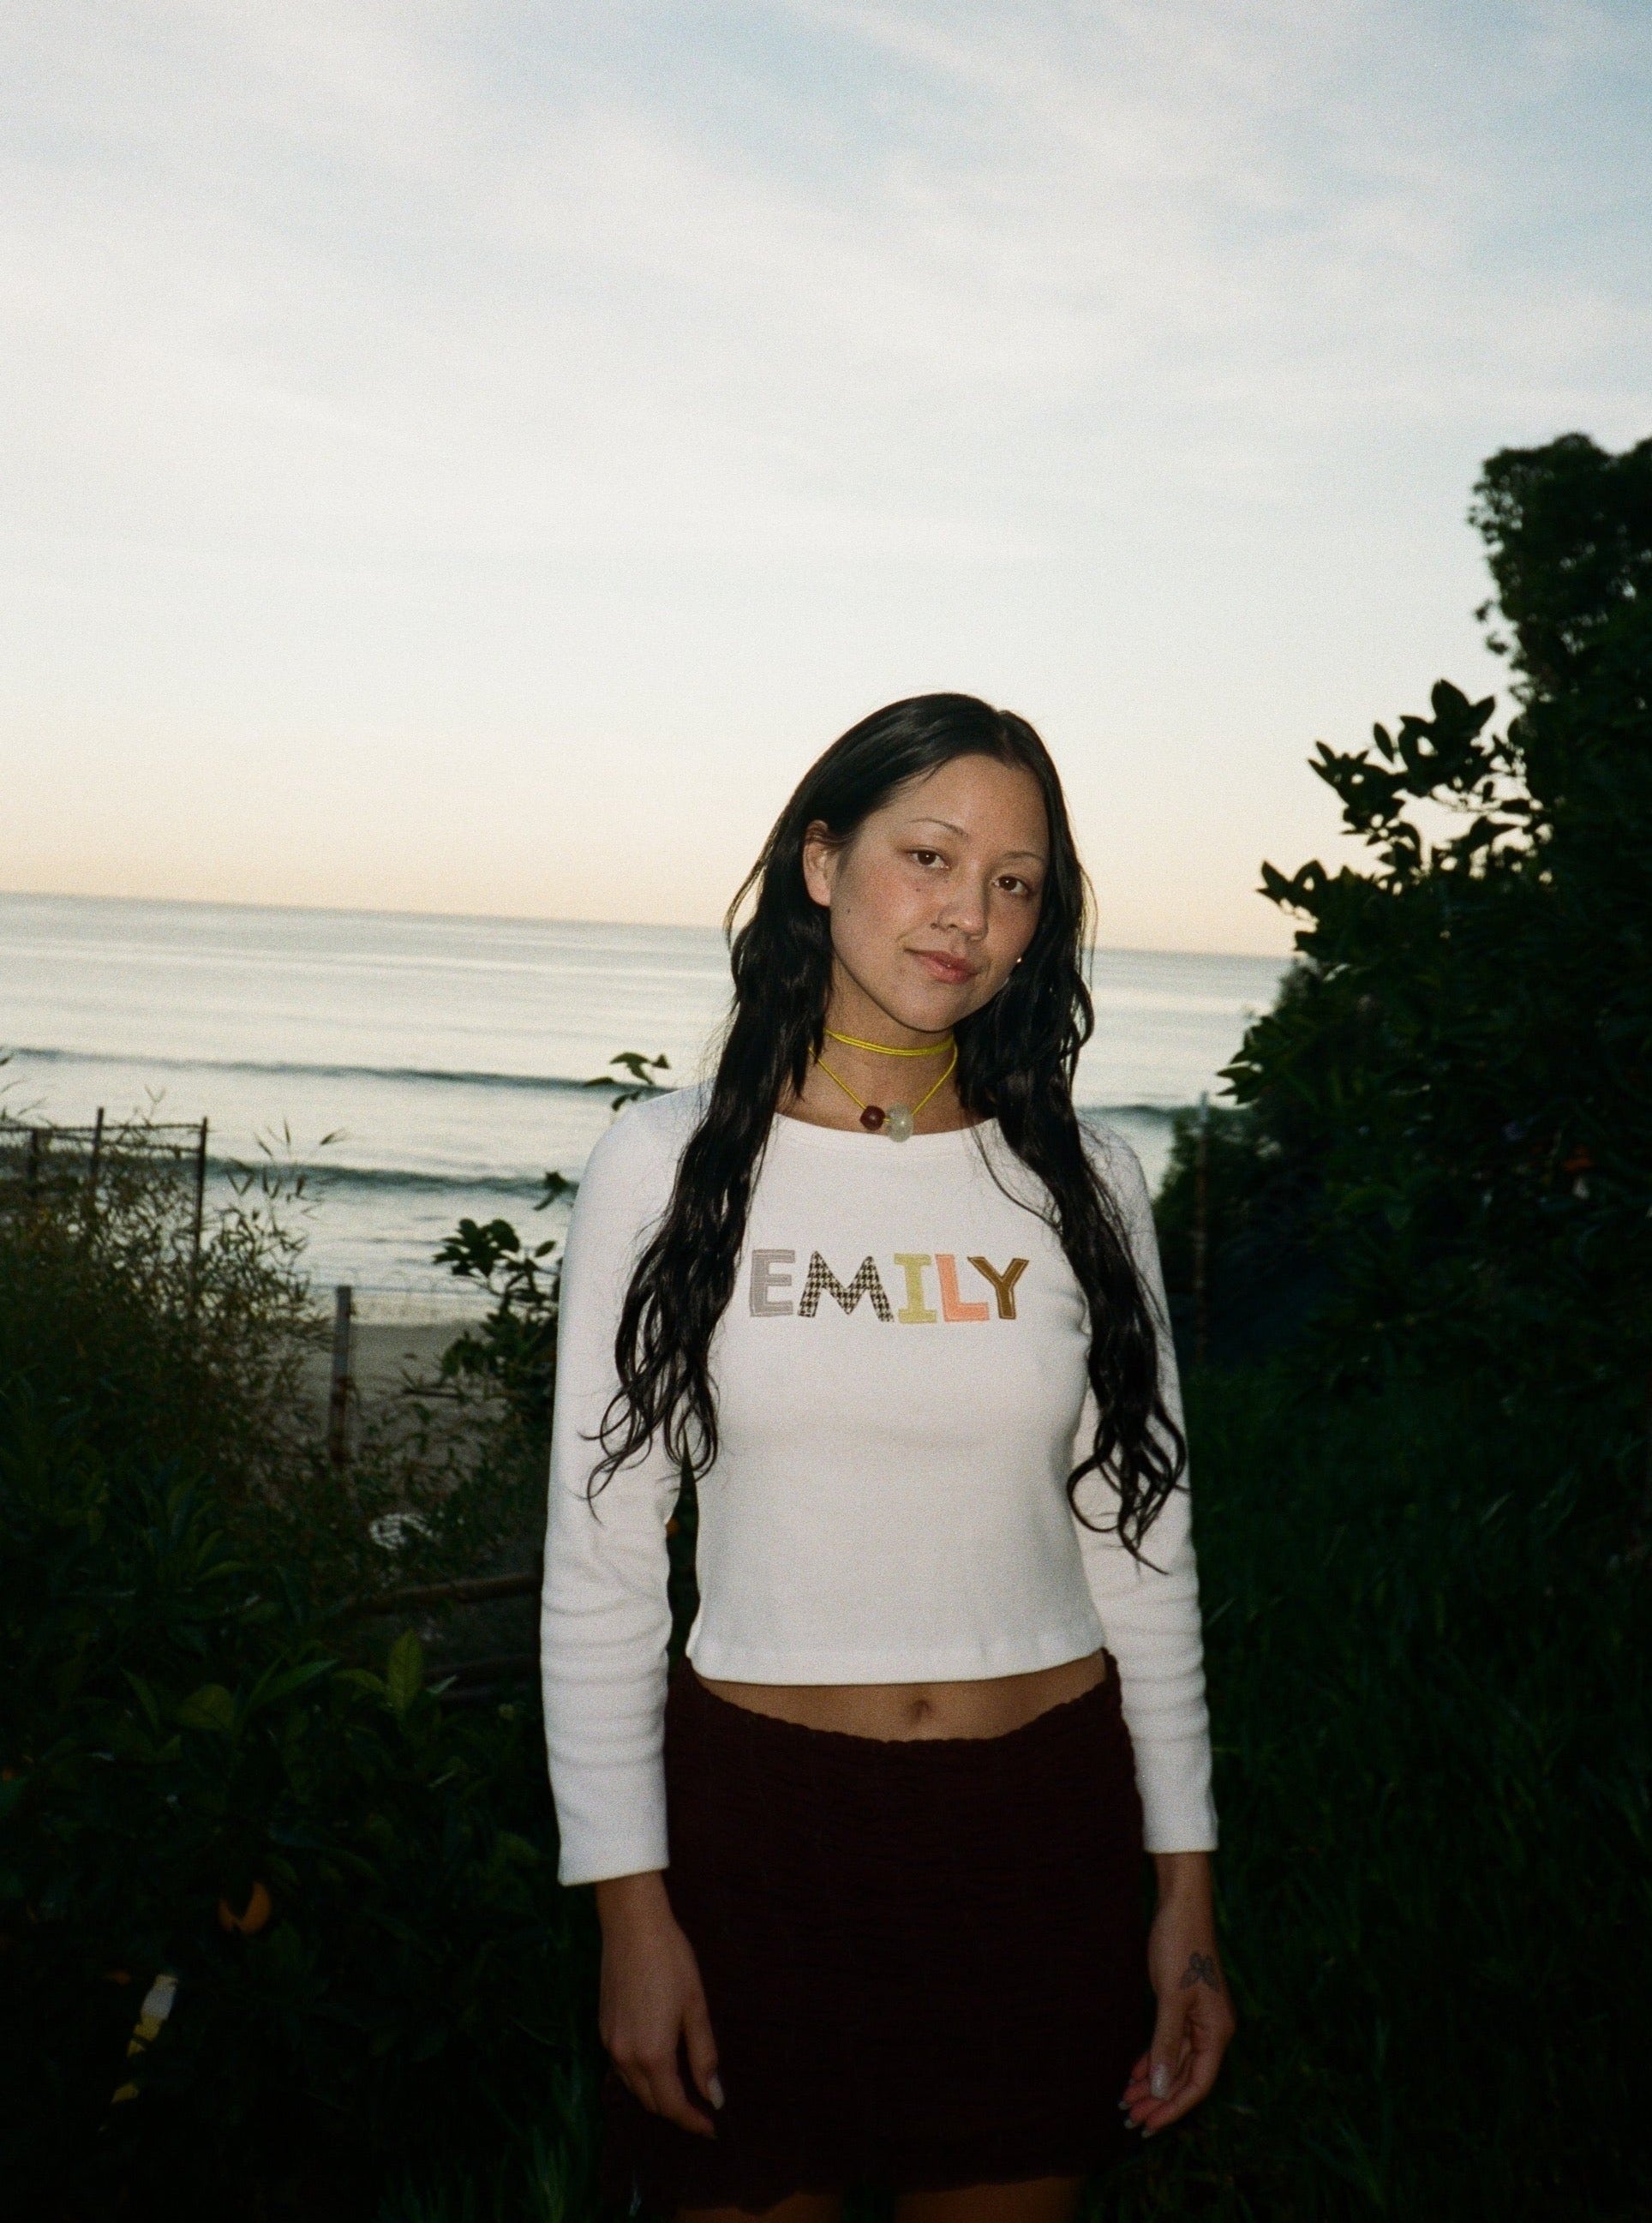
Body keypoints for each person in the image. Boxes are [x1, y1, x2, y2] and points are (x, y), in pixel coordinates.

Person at [540, 694, 1234, 2222]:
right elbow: (601, 1558)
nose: (968, 916)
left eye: (1014, 883)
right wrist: (628, 1907)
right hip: (756, 1836)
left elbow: (1146, 1545)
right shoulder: (667, 1166)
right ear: (818, 860)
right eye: (929, 855)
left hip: (1036, 1835)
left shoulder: (1087, 1180)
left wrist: (1182, 1893)